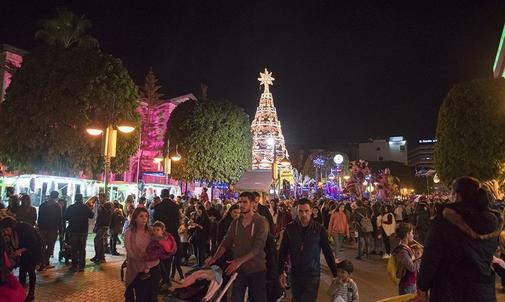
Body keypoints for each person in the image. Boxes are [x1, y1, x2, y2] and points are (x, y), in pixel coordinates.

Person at [416, 177, 501, 302]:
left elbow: (430, 259)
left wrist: (422, 288)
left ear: (457, 195)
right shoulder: (492, 222)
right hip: (483, 291)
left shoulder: (443, 221)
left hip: (450, 291)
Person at [206, 192, 269, 302]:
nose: (241, 205)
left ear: (253, 204)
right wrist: (214, 258)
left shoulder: (261, 222)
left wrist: (239, 261)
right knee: (235, 298)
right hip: (239, 270)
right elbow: (226, 242)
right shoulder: (236, 223)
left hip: (256, 269)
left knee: (258, 298)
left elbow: (257, 248)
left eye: (245, 202)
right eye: (240, 202)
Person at [278, 198, 338, 302]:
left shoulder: (319, 229)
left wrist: (335, 273)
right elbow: (283, 251)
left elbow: (327, 251)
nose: (304, 214)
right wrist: (280, 271)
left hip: (312, 274)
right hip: (295, 274)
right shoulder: (290, 229)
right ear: (297, 212)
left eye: (306, 211)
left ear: (311, 211)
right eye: (301, 211)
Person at [0, 217, 42, 301]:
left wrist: (19, 250)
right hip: (24, 253)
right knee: (22, 272)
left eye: (6, 230)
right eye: (4, 230)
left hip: (33, 251)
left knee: (31, 271)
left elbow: (33, 242)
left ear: (11, 226)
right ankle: (21, 292)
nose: (5, 232)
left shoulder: (24, 228)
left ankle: (31, 293)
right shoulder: (12, 233)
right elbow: (13, 245)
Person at [124, 207, 161, 302]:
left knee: (152, 295)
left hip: (153, 268)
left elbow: (159, 244)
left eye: (146, 216)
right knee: (141, 295)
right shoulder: (129, 232)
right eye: (141, 216)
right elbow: (129, 251)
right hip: (136, 269)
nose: (144, 218)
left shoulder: (151, 231)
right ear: (135, 218)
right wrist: (141, 257)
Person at [152, 189, 180, 288]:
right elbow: (177, 222)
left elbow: (154, 221)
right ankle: (166, 279)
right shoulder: (175, 206)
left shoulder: (158, 207)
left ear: (161, 195)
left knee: (159, 258)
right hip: (171, 236)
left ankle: (163, 279)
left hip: (160, 237)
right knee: (168, 258)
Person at [64, 193, 94, 272]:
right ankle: (81, 266)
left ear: (75, 199)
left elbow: (65, 217)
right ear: (81, 199)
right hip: (83, 231)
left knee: (74, 249)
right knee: (82, 249)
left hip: (73, 230)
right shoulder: (85, 207)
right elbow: (91, 215)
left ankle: (74, 265)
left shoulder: (71, 207)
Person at [392, 223, 422, 295]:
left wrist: (416, 254)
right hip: (407, 284)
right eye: (411, 233)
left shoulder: (406, 247)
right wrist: (421, 259)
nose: (413, 235)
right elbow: (412, 267)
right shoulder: (402, 251)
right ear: (407, 234)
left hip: (411, 283)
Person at [37, 191, 62, 270]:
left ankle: (42, 263)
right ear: (57, 197)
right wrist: (61, 230)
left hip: (42, 229)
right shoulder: (57, 206)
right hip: (52, 229)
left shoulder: (42, 205)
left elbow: (39, 218)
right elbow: (59, 219)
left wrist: (39, 227)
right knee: (50, 247)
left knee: (42, 246)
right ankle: (45, 262)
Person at [91, 194, 112, 264]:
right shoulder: (101, 205)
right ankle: (99, 256)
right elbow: (98, 216)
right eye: (99, 198)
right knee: (100, 241)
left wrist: (101, 206)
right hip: (100, 225)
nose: (100, 199)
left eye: (101, 198)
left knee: (96, 240)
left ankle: (99, 257)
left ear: (105, 198)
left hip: (104, 226)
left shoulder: (107, 204)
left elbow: (106, 214)